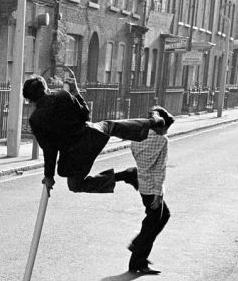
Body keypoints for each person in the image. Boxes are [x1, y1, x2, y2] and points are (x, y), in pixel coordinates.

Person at [23, 74, 166, 195]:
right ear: (46, 88)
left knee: (75, 186)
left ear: (29, 99)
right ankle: (152, 122)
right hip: (91, 136)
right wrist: (76, 94)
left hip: (75, 156)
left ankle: (125, 176)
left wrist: (49, 176)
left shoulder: (35, 119)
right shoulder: (63, 96)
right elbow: (86, 115)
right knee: (111, 126)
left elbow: (50, 150)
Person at [128, 106, 174, 275]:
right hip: (153, 189)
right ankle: (138, 262)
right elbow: (160, 169)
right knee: (152, 226)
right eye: (166, 128)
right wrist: (158, 193)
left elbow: (137, 158)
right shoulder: (162, 141)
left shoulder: (137, 138)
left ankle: (137, 245)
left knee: (161, 217)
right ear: (161, 126)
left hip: (143, 185)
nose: (166, 131)